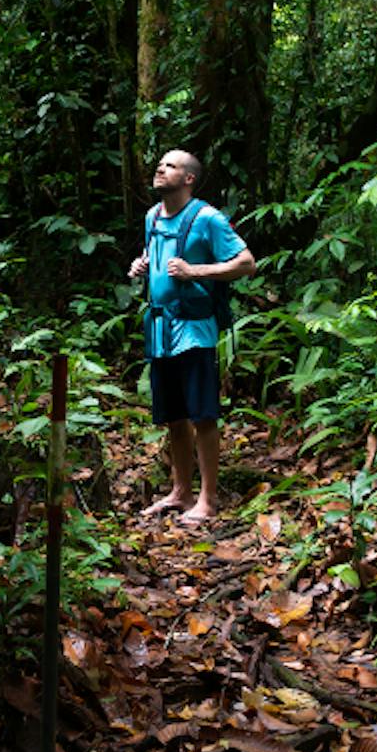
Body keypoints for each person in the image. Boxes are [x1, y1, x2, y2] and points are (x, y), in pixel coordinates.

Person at [127, 149, 256, 523]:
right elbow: (155, 254)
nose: (160, 168)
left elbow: (246, 263)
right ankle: (180, 492)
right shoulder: (152, 217)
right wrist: (142, 263)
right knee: (174, 417)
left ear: (188, 179)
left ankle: (208, 499)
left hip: (195, 331)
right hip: (160, 331)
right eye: (160, 164)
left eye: (170, 166)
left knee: (203, 415)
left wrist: (194, 271)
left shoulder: (207, 218)